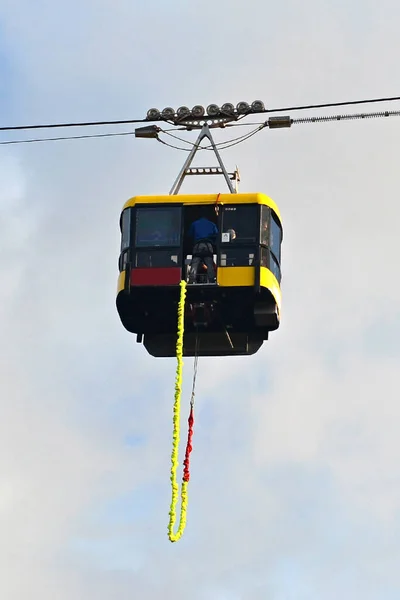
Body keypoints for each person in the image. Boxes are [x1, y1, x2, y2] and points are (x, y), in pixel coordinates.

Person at [187, 216, 218, 283]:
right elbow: (216, 235)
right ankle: (211, 279)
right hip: (208, 245)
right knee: (209, 263)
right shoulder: (212, 224)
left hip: (198, 244)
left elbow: (189, 234)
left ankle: (192, 279)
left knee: (195, 262)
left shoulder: (194, 224)